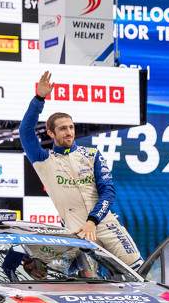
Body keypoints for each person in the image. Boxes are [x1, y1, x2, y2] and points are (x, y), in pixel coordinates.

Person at [19, 71, 143, 270]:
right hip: (76, 233)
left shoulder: (92, 155)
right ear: (51, 133)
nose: (69, 132)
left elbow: (108, 192)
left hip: (105, 224)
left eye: (71, 127)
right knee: (88, 281)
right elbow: (25, 132)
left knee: (137, 271)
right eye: (63, 129)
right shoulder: (44, 160)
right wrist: (39, 99)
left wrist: (93, 221)